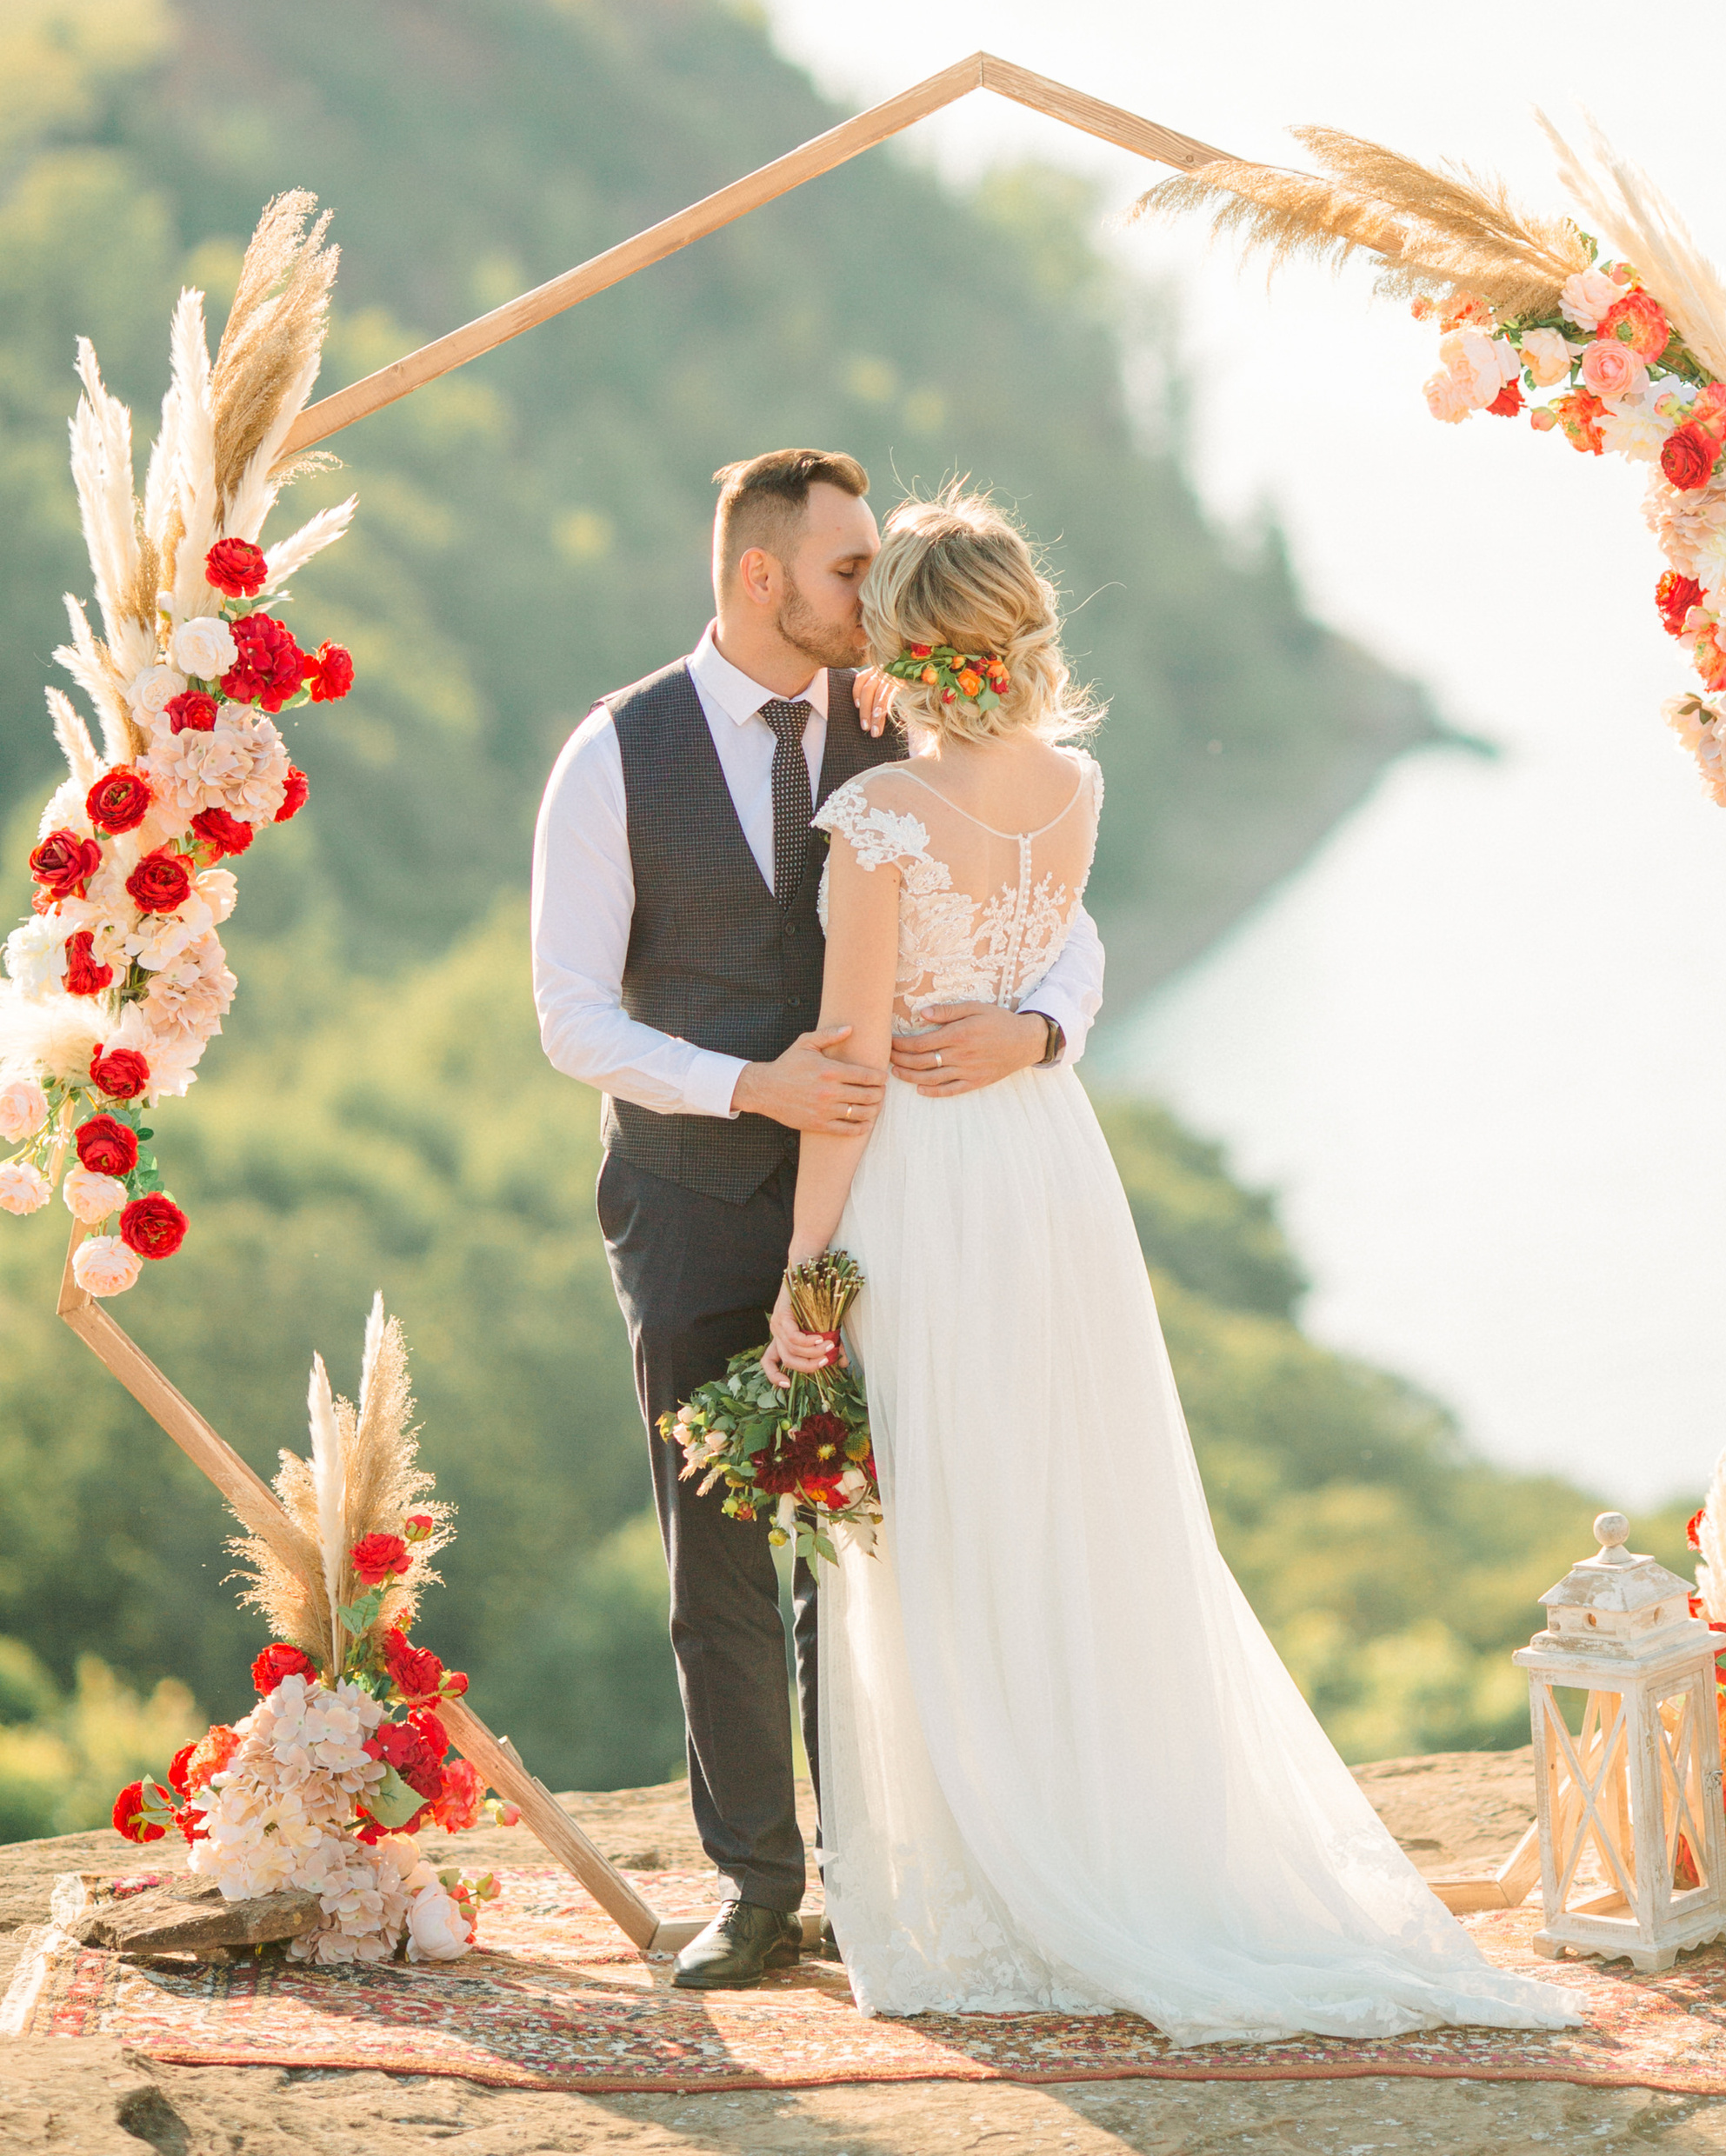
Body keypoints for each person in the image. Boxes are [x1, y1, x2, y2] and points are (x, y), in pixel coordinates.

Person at [768, 489, 1577, 2046]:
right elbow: (1040, 960)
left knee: (945, 1507)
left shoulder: (875, 825)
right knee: (1074, 1496)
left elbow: (853, 1068)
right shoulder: (1068, 787)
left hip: (927, 1183)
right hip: (1050, 1160)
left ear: (905, 651)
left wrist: (808, 1269)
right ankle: (1101, 1831)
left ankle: (1000, 1875)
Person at [530, 448, 1107, 1992]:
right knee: (715, 1555)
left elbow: (1060, 912)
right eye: (849, 570)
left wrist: (1040, 1028)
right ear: (758, 575)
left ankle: (880, 1874)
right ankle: (754, 1888)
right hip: (698, 1202)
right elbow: (570, 1017)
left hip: (909, 1205)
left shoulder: (910, 720)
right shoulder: (614, 752)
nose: (875, 597)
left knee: (885, 1547)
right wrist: (746, 1088)